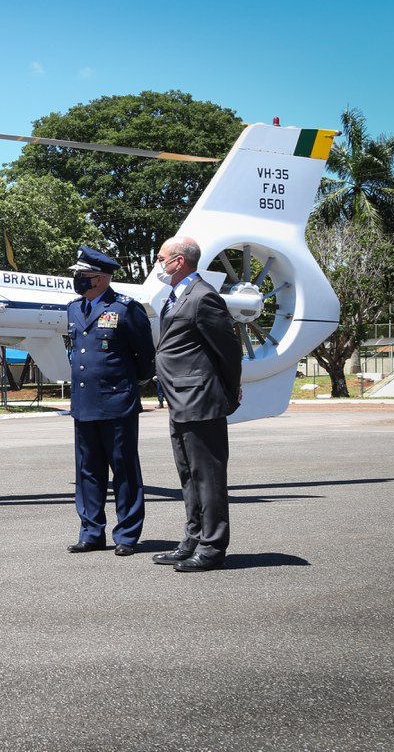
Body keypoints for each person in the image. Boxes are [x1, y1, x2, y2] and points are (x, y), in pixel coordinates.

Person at [151, 236, 243, 572]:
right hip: (180, 398)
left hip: (201, 398)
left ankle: (213, 547)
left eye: (160, 258)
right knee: (189, 476)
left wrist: (230, 390)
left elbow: (229, 349)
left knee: (209, 477)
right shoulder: (176, 296)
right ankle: (193, 539)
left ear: (178, 261)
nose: (157, 264)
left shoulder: (203, 296)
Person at [64, 246, 155, 557]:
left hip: (117, 403)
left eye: (82, 276)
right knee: (88, 471)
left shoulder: (126, 309)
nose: (76, 280)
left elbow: (145, 357)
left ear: (100, 279)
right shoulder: (74, 309)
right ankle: (91, 532)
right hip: (84, 402)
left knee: (124, 469)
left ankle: (127, 535)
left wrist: (130, 386)